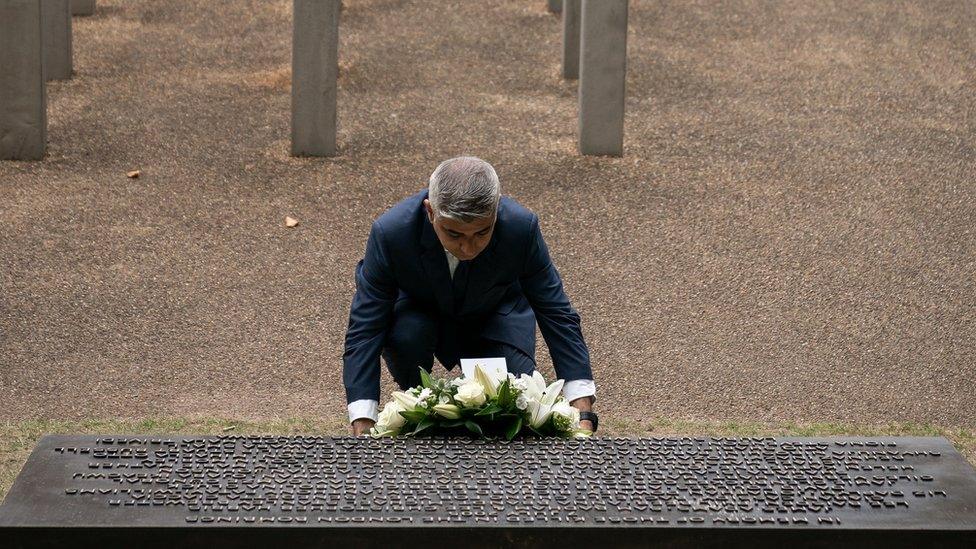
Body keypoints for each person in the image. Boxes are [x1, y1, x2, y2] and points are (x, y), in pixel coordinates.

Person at [343, 156, 598, 435]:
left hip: (495, 313)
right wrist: (363, 422)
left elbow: (556, 313)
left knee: (511, 402)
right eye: (453, 234)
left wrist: (582, 411)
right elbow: (366, 326)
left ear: (497, 210)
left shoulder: (521, 228)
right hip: (418, 315)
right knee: (408, 337)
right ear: (431, 212)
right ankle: (417, 399)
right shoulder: (391, 233)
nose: (467, 247)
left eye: (482, 232)